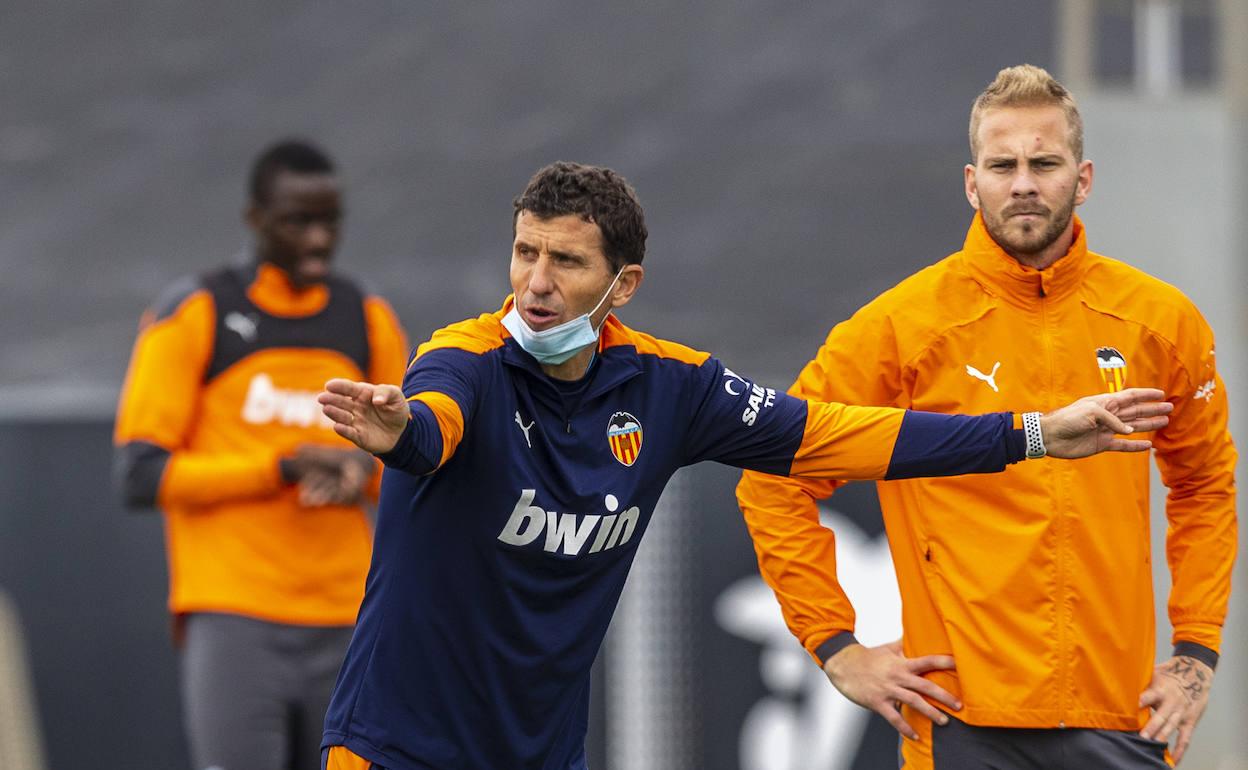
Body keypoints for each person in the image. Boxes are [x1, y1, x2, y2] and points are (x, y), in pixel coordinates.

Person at [313, 160, 1171, 770]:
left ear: (625, 284)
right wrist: (404, 436)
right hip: (397, 746)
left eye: (566, 261)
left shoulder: (670, 387)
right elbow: (434, 423)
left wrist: (1029, 434)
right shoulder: (465, 357)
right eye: (525, 253)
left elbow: (846, 435)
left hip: (538, 752)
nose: (536, 282)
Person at [736, 64, 1237, 769]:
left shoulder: (1158, 322)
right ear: (973, 184)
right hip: (962, 721)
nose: (1024, 182)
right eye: (1003, 165)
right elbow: (773, 473)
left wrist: (1196, 652)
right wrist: (836, 647)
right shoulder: (902, 329)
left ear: (1083, 179)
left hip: (1121, 714)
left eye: (1045, 163)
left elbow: (1206, 485)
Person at [113, 139, 409, 770]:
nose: (319, 240)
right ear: (254, 218)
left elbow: (411, 463)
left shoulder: (367, 318)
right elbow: (141, 474)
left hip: (347, 616)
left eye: (330, 221)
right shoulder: (197, 313)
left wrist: (361, 469)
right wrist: (281, 467)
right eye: (298, 221)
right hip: (235, 620)